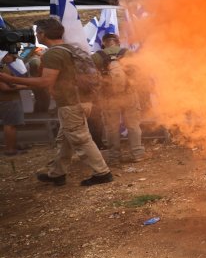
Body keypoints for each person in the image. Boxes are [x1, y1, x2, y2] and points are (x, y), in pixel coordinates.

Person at [0, 18, 112, 186]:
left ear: (43, 34)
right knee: (65, 139)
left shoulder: (53, 53)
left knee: (80, 139)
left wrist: (9, 78)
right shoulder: (72, 49)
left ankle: (102, 172)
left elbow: (45, 82)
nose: (36, 35)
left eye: (37, 32)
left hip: (70, 103)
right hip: (82, 101)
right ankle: (57, 173)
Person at [92, 33, 145, 163]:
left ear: (104, 43)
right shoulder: (128, 53)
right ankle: (137, 154)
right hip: (129, 94)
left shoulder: (97, 56)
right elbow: (138, 74)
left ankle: (114, 157)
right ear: (117, 42)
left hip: (108, 96)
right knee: (133, 125)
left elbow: (93, 78)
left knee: (111, 127)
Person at [0, 51, 27, 155]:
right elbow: (5, 88)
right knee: (10, 125)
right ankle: (10, 149)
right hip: (8, 100)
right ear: (5, 56)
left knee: (12, 124)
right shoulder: (2, 68)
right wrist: (27, 86)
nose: (14, 58)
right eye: (12, 56)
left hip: (9, 100)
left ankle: (13, 145)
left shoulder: (5, 67)